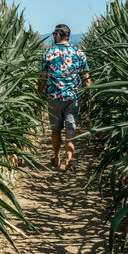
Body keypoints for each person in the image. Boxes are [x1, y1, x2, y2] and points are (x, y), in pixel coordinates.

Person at [38, 24, 91, 172]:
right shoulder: (79, 53)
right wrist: (89, 92)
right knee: (71, 129)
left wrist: (39, 96)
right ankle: (69, 161)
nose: (54, 36)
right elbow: (86, 77)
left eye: (55, 34)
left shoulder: (49, 53)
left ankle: (57, 158)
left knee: (55, 130)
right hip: (73, 97)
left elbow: (42, 78)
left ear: (59, 35)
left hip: (54, 97)